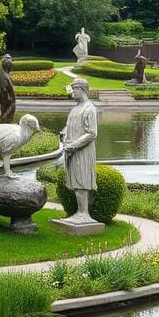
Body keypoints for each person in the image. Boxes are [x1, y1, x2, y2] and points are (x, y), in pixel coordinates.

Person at [60, 78, 98, 224]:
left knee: (82, 180)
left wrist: (74, 145)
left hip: (82, 151)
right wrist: (63, 135)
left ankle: (84, 213)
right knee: (75, 180)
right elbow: (68, 126)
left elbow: (92, 133)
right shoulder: (75, 108)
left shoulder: (89, 108)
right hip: (71, 150)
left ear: (81, 89)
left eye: (74, 89)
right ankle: (79, 212)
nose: (72, 92)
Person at [0, 54, 16, 124]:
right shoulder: (4, 75)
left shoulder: (5, 74)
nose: (10, 67)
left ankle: (5, 120)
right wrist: (9, 97)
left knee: (7, 109)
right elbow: (3, 89)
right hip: (8, 99)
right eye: (9, 65)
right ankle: (4, 121)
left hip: (9, 98)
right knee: (7, 110)